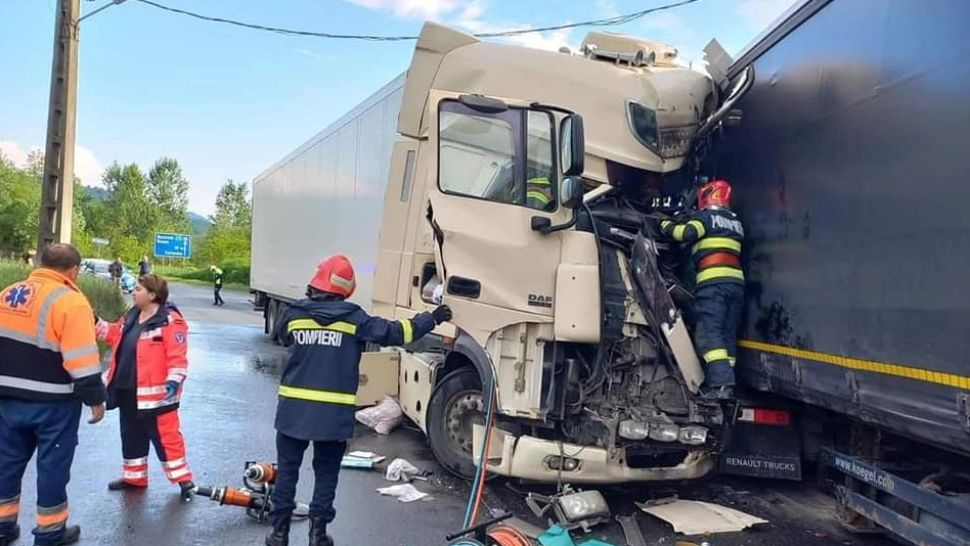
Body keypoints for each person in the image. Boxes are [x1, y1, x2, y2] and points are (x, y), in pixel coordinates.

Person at [265, 255, 452, 546]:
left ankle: (278, 535)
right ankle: (317, 535)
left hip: (293, 412)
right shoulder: (355, 319)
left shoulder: (294, 315)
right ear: (347, 288)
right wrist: (433, 317)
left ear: (315, 282)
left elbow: (282, 338)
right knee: (326, 476)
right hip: (332, 416)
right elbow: (397, 332)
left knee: (287, 473)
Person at [0, 243, 107, 546]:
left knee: (5, 464)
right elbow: (82, 359)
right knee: (52, 469)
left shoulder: (9, 292)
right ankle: (50, 533)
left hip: (8, 398)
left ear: (42, 262)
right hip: (53, 403)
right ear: (74, 270)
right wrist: (96, 399)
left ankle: (3, 527)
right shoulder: (71, 302)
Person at [94, 274, 196, 501]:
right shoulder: (132, 315)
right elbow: (113, 334)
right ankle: (134, 477)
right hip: (127, 391)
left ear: (152, 295)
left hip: (157, 396)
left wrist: (173, 382)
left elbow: (177, 357)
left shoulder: (170, 321)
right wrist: (94, 322)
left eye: (138, 289)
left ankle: (184, 481)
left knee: (167, 439)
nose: (133, 292)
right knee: (131, 435)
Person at [660, 179, 744, 399]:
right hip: (735, 286)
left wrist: (665, 225)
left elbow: (685, 234)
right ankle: (727, 381)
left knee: (710, 333)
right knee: (726, 335)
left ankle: (721, 385)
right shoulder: (735, 223)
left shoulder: (705, 218)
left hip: (713, 285)